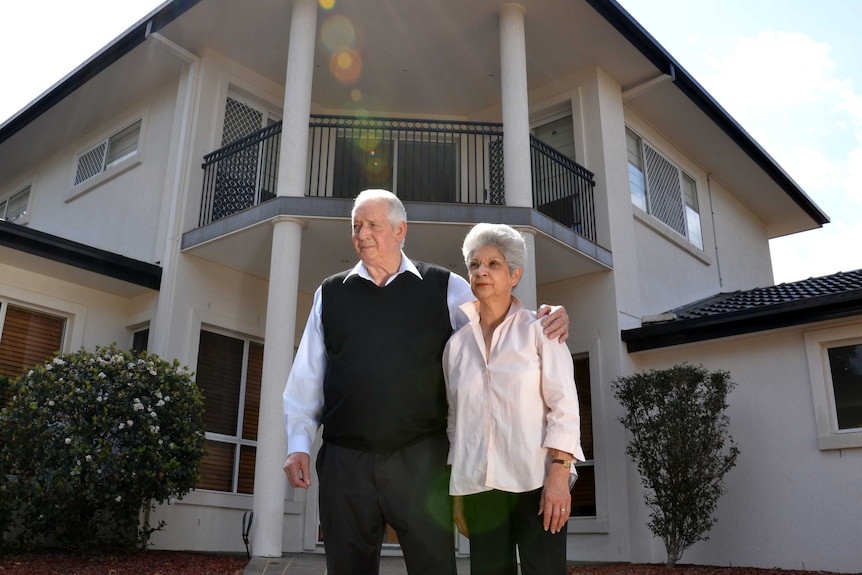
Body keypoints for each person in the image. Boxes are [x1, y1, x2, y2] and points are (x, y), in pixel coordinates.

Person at [282, 189, 570, 575]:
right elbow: (307, 376)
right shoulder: (330, 293)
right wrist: (298, 443)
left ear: (401, 230)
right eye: (356, 226)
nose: (362, 234)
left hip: (421, 461)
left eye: (373, 225)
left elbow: (499, 312)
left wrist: (548, 316)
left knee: (434, 566)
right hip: (345, 463)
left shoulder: (445, 287)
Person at [444, 223, 585, 575]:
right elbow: (455, 424)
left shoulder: (542, 330)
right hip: (482, 489)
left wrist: (559, 475)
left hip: (537, 483)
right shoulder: (455, 347)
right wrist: (458, 493)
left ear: (514, 275)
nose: (481, 271)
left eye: (493, 264)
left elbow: (564, 407)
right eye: (475, 264)